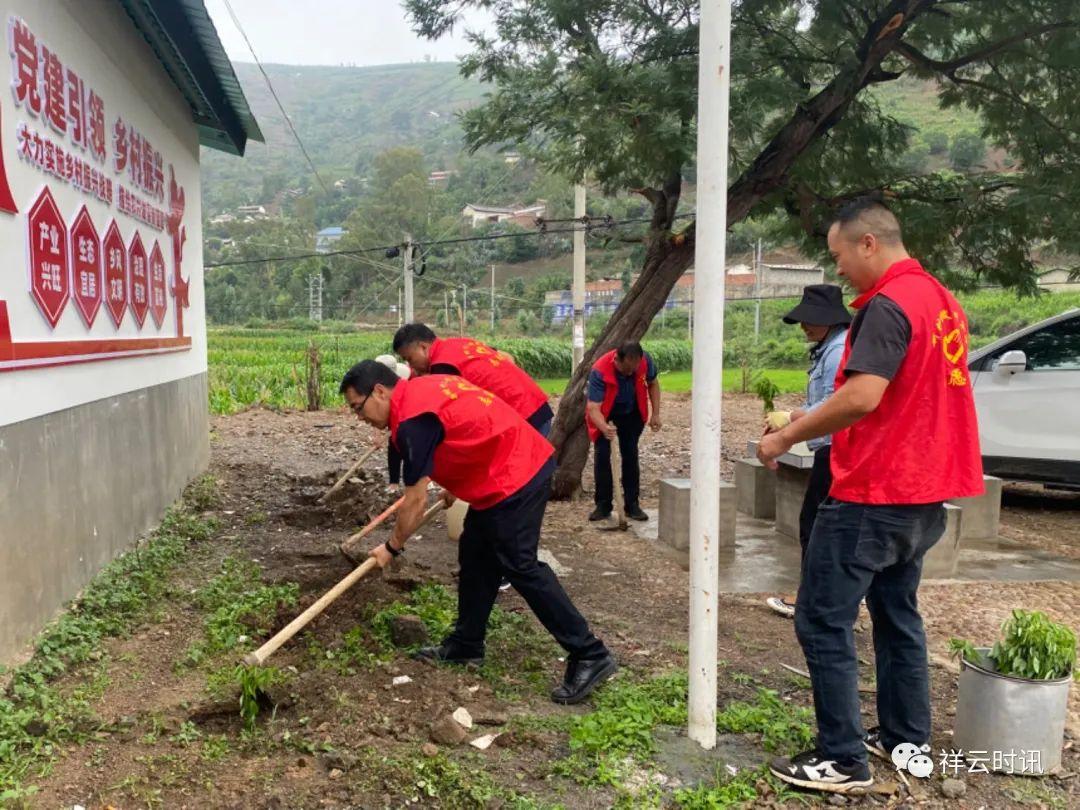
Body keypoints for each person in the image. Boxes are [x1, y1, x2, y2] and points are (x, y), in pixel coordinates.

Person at [758, 199, 983, 794]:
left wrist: (786, 433)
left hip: (874, 491)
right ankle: (906, 737)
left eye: (838, 258)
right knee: (896, 613)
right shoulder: (941, 301)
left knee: (821, 620)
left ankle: (842, 759)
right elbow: (903, 394)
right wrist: (816, 411)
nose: (839, 273)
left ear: (868, 244)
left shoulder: (887, 305)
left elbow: (863, 398)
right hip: (924, 493)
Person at [340, 360, 617, 704]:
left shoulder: (410, 419)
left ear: (379, 391)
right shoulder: (423, 389)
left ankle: (589, 653)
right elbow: (463, 424)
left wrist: (392, 547)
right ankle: (466, 644)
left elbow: (413, 501)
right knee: (475, 555)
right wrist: (457, 480)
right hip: (502, 468)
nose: (359, 416)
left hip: (516, 473)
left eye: (357, 407)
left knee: (519, 564)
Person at [764, 285, 850, 619]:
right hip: (833, 449)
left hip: (836, 449)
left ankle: (809, 599)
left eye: (810, 320)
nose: (804, 327)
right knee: (829, 525)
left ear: (828, 318)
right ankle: (838, 595)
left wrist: (790, 420)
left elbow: (833, 408)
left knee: (815, 525)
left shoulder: (837, 351)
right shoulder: (830, 347)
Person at [392, 323, 553, 436]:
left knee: (530, 473)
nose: (410, 365)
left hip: (522, 413)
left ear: (423, 347)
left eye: (410, 358)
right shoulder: (460, 343)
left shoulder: (442, 365)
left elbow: (449, 415)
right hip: (534, 401)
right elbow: (507, 357)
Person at [586, 341, 661, 522]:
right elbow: (593, 408)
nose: (630, 372)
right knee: (603, 456)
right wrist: (604, 427)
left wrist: (656, 414)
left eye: (634, 369)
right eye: (626, 369)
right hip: (606, 412)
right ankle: (603, 505)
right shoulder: (600, 370)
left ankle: (632, 504)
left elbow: (653, 384)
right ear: (617, 360)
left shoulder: (645, 362)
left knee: (630, 455)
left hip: (632, 412)